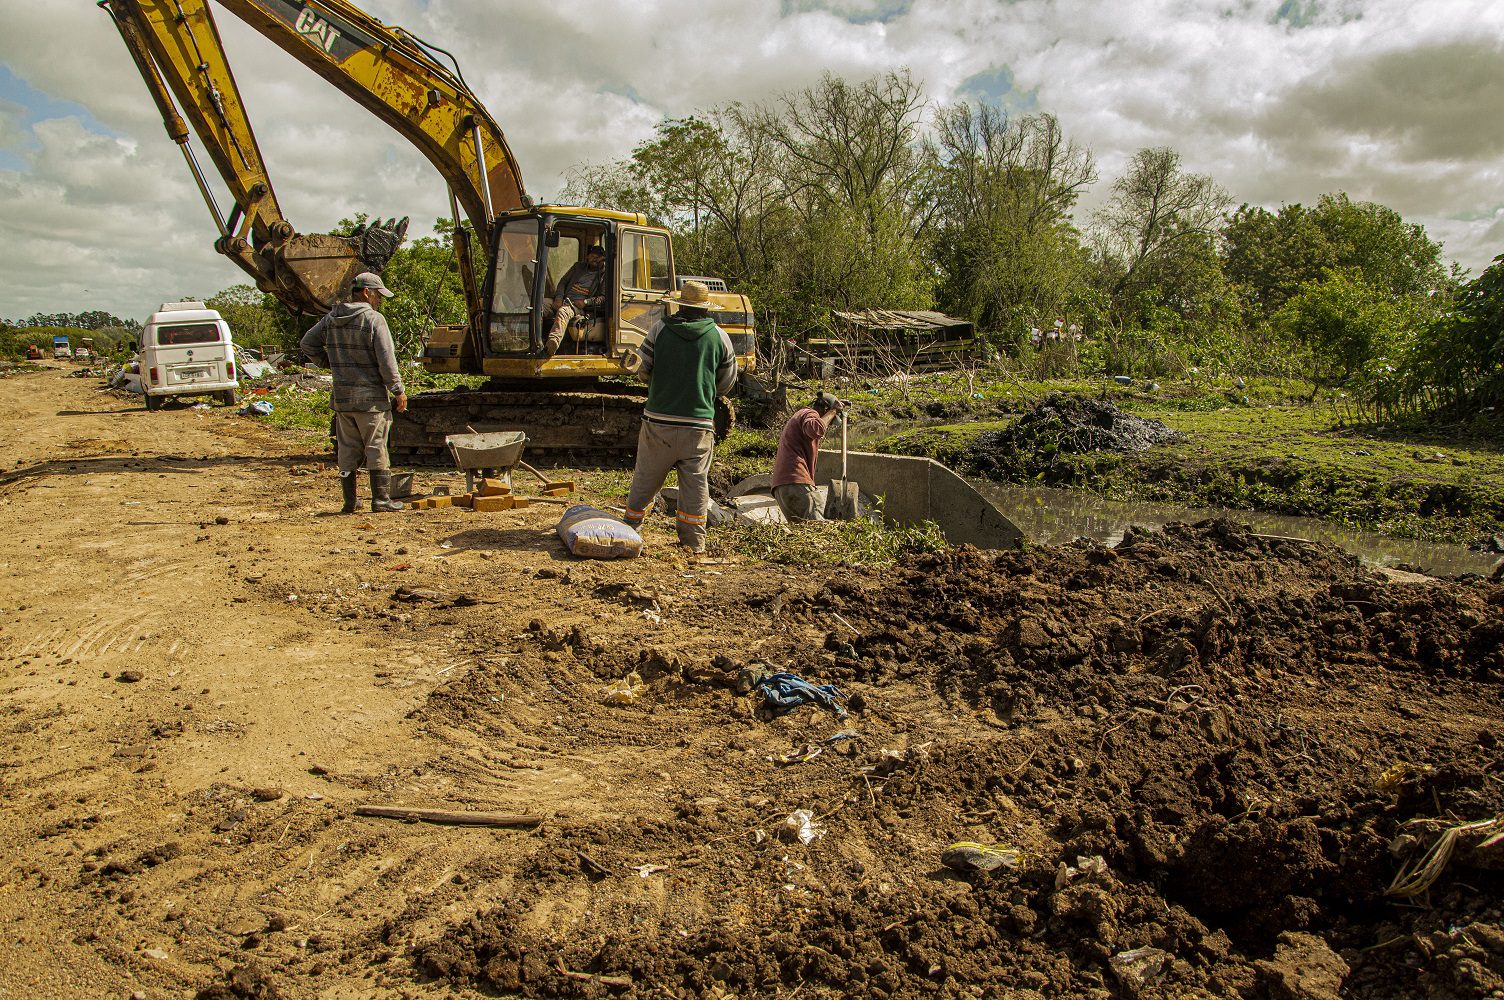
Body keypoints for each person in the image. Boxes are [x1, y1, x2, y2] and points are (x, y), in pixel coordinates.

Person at [621, 280, 737, 554]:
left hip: (658, 422)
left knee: (646, 478)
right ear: (706, 309)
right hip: (698, 426)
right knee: (696, 483)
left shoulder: (659, 329)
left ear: (681, 304)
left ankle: (629, 531)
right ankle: (693, 543)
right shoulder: (720, 336)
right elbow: (726, 383)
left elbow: (643, 369)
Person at [300, 271, 408, 514]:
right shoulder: (373, 319)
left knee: (347, 450)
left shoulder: (331, 318)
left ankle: (350, 502)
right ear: (367, 292)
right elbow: (386, 360)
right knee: (376, 447)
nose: (380, 300)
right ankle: (380, 500)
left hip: (343, 399)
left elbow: (307, 343)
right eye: (378, 295)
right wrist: (397, 389)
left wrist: (328, 361)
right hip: (370, 400)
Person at [771, 392, 845, 521]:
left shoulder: (799, 416)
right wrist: (834, 411)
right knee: (820, 530)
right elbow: (815, 429)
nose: (827, 423)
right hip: (796, 481)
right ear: (825, 408)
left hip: (782, 487)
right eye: (829, 419)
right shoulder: (809, 413)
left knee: (805, 534)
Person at [544, 244, 608, 355]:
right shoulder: (578, 267)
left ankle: (553, 343)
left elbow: (603, 298)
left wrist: (585, 302)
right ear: (587, 257)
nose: (595, 259)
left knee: (563, 312)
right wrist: (559, 298)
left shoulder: (604, 275)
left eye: (598, 257)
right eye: (592, 256)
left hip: (578, 307)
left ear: (603, 260)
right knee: (540, 304)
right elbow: (563, 282)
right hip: (563, 299)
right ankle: (532, 339)